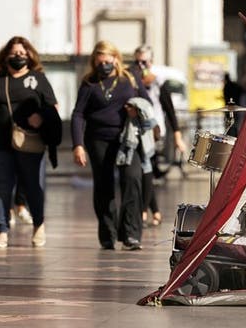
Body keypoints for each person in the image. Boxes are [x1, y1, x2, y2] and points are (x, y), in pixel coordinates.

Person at [0, 36, 58, 248]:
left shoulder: (38, 79)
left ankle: (39, 225)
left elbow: (53, 108)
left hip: (29, 141)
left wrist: (41, 117)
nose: (18, 57)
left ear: (30, 56)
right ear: (5, 57)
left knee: (32, 185)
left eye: (22, 53)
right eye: (14, 53)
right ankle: (2, 231)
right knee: (2, 187)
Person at [71, 40, 151, 250]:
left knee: (132, 179)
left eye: (107, 61)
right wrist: (78, 145)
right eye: (100, 63)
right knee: (104, 185)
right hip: (98, 139)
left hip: (127, 139)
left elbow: (147, 102)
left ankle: (131, 233)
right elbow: (78, 114)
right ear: (94, 62)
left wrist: (136, 110)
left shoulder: (130, 79)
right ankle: (108, 234)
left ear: (116, 59)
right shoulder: (89, 83)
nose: (104, 65)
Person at [128, 45, 187, 227]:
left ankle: (144, 211)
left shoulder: (158, 82)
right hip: (134, 130)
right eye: (137, 61)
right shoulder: (131, 79)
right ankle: (156, 212)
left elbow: (170, 111)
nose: (140, 65)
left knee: (147, 168)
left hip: (154, 131)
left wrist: (177, 137)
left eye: (144, 62)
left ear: (151, 62)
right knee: (146, 170)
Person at [222, 72, 245, 136]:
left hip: (230, 109)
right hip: (236, 108)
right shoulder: (235, 85)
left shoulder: (226, 87)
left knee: (229, 126)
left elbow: (226, 98)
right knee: (236, 125)